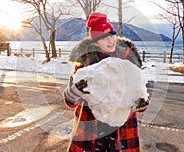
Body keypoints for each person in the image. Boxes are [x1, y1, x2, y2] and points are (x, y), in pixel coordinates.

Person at [63, 12, 148, 152]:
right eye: (104, 38)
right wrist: (75, 91)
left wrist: (140, 104)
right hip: (92, 132)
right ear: (95, 42)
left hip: (122, 133)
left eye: (112, 35)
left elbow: (140, 97)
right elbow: (70, 102)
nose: (111, 41)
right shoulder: (85, 65)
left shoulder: (128, 62)